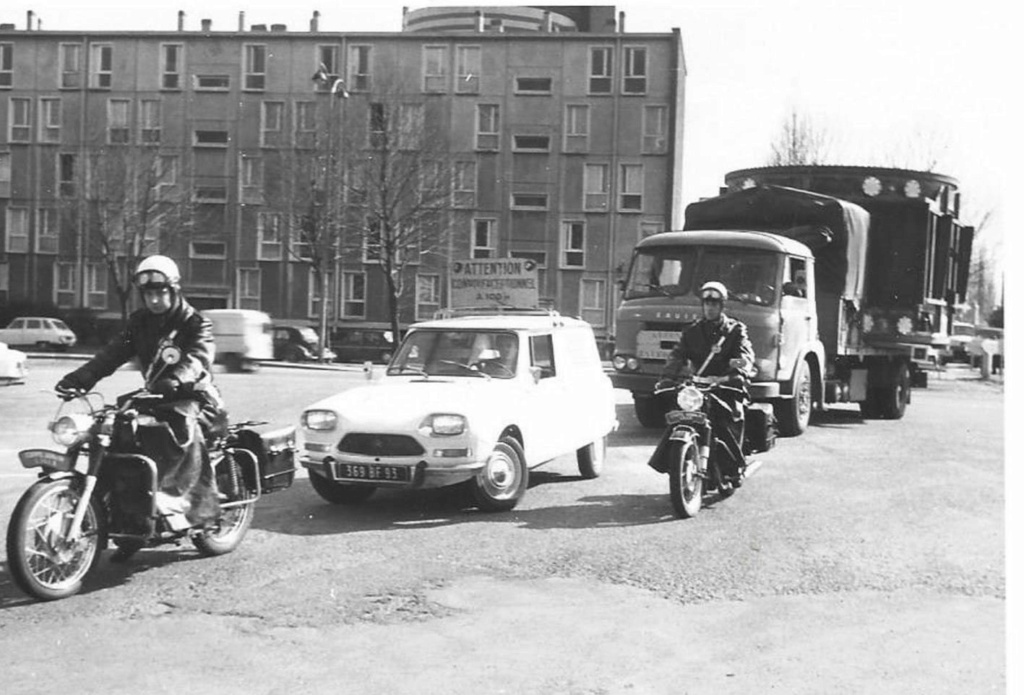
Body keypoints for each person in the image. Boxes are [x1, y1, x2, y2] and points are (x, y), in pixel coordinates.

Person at [55, 254, 225, 545]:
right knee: (113, 428)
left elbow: (198, 358)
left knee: (177, 428)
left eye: (161, 292)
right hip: (155, 395)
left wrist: (177, 378)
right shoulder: (139, 323)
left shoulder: (195, 322)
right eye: (149, 294)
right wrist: (80, 379)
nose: (155, 300)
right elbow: (111, 355)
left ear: (173, 291)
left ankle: (180, 510)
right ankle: (125, 511)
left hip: (193, 397)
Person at [654, 281, 756, 485]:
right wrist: (667, 377)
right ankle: (671, 460)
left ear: (722, 306)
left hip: (725, 385)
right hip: (698, 386)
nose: (710, 307)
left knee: (731, 418)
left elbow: (744, 356)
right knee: (679, 416)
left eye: (715, 304)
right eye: (707, 303)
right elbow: (677, 355)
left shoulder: (735, 330)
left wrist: (735, 372)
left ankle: (734, 467)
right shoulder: (692, 331)